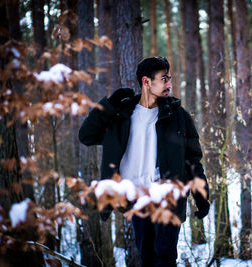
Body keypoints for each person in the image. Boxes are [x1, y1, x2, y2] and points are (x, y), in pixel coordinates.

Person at [79, 56, 209, 267]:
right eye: (164, 79)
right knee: (147, 256)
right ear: (146, 82)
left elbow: (192, 159)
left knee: (165, 256)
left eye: (170, 79)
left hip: (167, 195)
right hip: (136, 198)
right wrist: (109, 105)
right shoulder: (122, 115)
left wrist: (201, 196)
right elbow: (86, 136)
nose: (170, 84)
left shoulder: (178, 115)